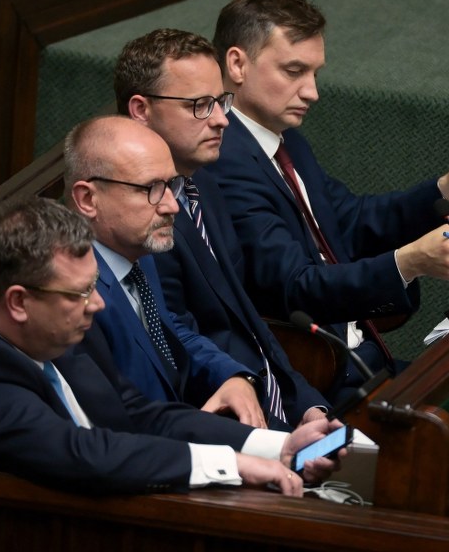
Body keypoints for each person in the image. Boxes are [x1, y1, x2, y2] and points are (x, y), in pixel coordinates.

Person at [0, 196, 342, 495]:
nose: (98, 304)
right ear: (19, 302)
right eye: (80, 293)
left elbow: (138, 413)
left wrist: (273, 446)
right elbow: (83, 454)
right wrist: (234, 466)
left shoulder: (50, 329)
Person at [205, 0, 449, 393]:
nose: (312, 92)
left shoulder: (283, 140)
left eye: (315, 74)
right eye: (294, 72)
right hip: (319, 383)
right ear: (237, 64)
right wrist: (408, 263)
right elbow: (296, 287)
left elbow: (350, 220)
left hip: (364, 362)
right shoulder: (224, 160)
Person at [114, 28, 331, 422]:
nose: (221, 120)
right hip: (215, 417)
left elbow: (248, 320)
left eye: (220, 101)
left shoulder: (203, 187)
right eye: (199, 105)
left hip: (270, 403)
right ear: (141, 110)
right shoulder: (130, 217)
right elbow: (172, 336)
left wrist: (306, 404)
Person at [65, 115, 268, 428]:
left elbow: (168, 326)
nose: (172, 206)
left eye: (172, 185)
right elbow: (123, 419)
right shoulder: (67, 292)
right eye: (151, 189)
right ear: (88, 199)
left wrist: (231, 376)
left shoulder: (138, 252)